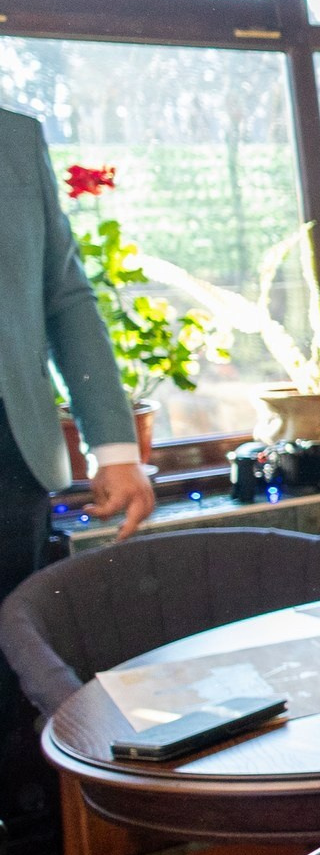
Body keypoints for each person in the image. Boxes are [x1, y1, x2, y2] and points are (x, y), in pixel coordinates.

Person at [0, 108, 154, 629]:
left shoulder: (16, 139)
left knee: (16, 656)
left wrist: (115, 450)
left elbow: (65, 299)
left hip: (10, 461)